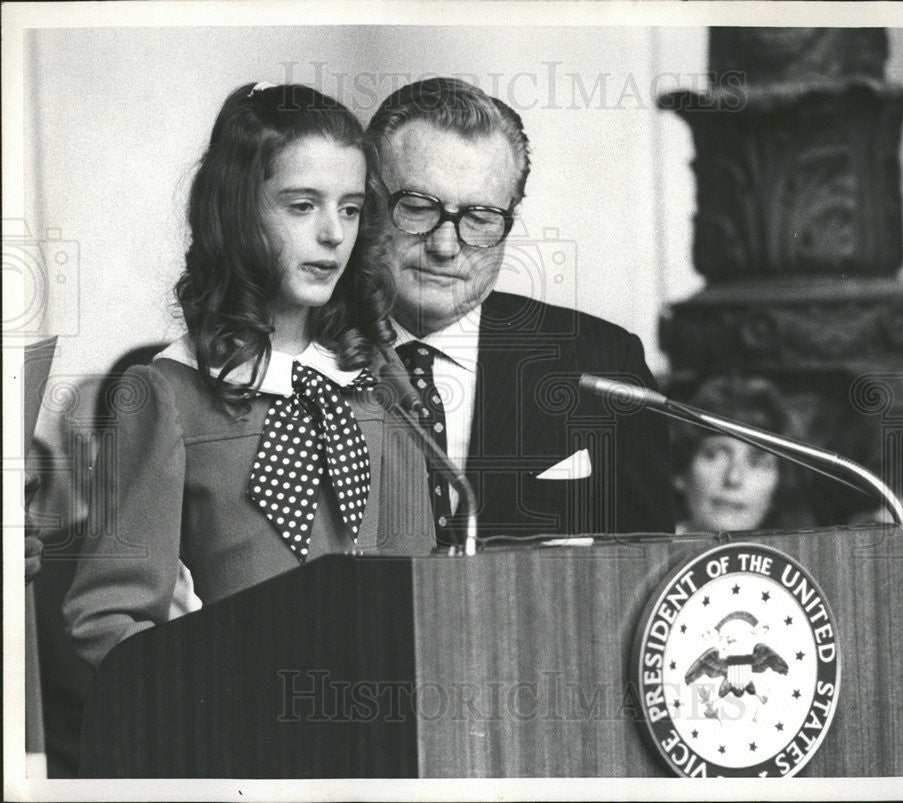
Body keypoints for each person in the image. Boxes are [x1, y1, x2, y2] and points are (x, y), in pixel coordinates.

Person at [63, 83, 434, 670]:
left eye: (351, 208)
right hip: (237, 732)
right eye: (301, 205)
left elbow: (425, 590)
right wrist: (203, 673)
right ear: (237, 213)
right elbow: (105, 619)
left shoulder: (375, 384)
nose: (333, 234)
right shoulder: (168, 393)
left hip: (375, 726)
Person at [364, 77, 674, 544]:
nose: (446, 246)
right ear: (369, 202)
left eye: (481, 218)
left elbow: (650, 570)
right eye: (417, 208)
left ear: (512, 215)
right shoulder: (302, 355)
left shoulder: (604, 364)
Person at [670, 376, 804, 533]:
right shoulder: (648, 553)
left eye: (756, 463)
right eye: (715, 456)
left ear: (781, 482)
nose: (733, 478)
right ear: (680, 473)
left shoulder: (804, 556)